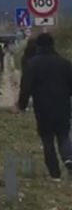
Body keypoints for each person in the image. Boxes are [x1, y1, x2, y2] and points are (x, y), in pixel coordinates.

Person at [18, 33, 72, 180]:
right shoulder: (65, 63)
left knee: (47, 139)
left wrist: (21, 105)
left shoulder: (32, 64)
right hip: (63, 106)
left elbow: (26, 88)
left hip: (42, 108)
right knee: (63, 136)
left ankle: (55, 174)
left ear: (38, 46)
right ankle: (69, 159)